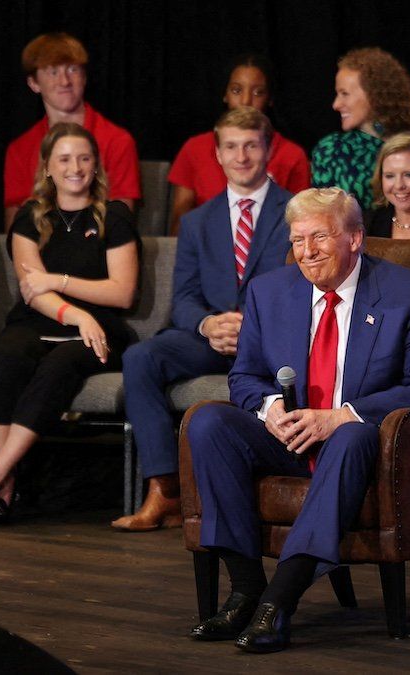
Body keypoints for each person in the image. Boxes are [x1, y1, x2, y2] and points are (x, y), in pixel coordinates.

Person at [186, 188, 410, 653]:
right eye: (298, 240)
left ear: (355, 238)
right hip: (288, 438)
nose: (306, 252)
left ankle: (279, 602)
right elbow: (244, 375)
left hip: (361, 445)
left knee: (350, 437)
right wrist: (270, 410)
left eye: (320, 238)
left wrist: (341, 416)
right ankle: (246, 588)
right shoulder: (269, 292)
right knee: (208, 423)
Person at [112, 107, 293, 532]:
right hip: (211, 337)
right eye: (231, 146)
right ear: (217, 154)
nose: (241, 155)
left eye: (251, 145)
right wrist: (208, 326)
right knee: (141, 358)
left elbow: (300, 288)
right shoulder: (196, 221)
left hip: (269, 341)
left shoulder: (294, 212)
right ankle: (166, 492)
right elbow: (185, 297)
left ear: (268, 149)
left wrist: (251, 326)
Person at [0, 123, 140, 526]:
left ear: (96, 166)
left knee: (60, 364)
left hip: (99, 330)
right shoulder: (29, 217)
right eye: (65, 159)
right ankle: (5, 487)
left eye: (85, 158)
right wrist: (76, 313)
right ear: (48, 168)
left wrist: (58, 281)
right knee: (8, 359)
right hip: (43, 321)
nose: (76, 167)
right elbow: (31, 291)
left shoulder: (115, 216)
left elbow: (123, 292)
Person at [3, 32, 140, 231]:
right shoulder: (20, 148)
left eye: (72, 69)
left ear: (84, 77)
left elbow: (121, 221)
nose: (65, 81)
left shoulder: (117, 140)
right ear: (33, 83)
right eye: (52, 72)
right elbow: (15, 228)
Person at [167, 54, 309, 233]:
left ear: (270, 98)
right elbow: (180, 222)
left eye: (258, 92)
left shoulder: (292, 154)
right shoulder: (194, 148)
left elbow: (300, 224)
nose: (245, 101)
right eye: (236, 90)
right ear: (225, 94)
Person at [311, 47, 410, 213]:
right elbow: (322, 215)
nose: (336, 104)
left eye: (344, 94)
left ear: (374, 94)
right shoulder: (331, 150)